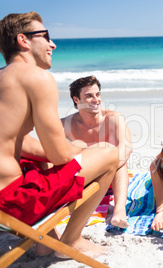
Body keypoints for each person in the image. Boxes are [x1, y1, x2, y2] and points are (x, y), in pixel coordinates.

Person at [0, 12, 122, 258]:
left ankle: (47, 240)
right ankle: (71, 240)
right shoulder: (37, 78)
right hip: (13, 202)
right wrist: (84, 151)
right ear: (23, 40)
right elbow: (59, 155)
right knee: (109, 154)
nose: (52, 44)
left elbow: (16, 140)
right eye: (45, 37)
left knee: (35, 159)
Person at [61, 75, 132, 229]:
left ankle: (119, 210)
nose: (96, 100)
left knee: (118, 161)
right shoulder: (65, 124)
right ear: (76, 100)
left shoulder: (113, 118)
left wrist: (105, 167)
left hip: (112, 177)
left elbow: (127, 147)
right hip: (84, 176)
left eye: (97, 94)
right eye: (89, 96)